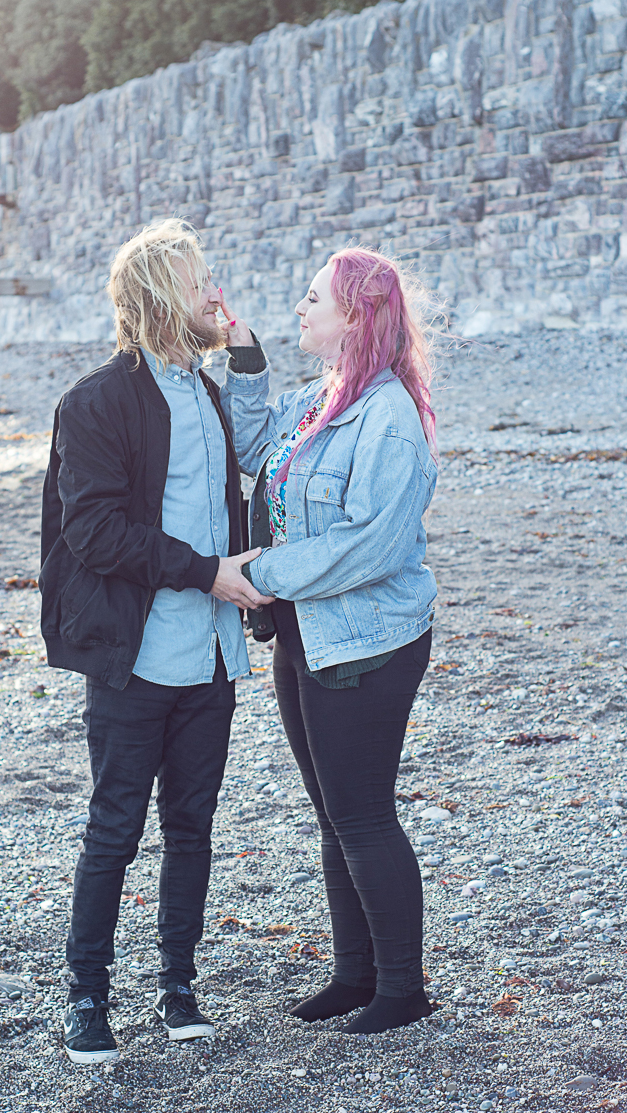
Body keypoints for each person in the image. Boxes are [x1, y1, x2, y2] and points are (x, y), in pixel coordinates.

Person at [39, 218, 273, 1063]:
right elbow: (94, 533)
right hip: (135, 653)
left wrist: (243, 354)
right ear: (152, 296)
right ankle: (86, 997)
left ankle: (179, 986)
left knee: (193, 825)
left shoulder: (206, 392)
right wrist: (206, 571)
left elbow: (257, 453)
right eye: (196, 279)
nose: (213, 290)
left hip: (212, 654)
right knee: (114, 828)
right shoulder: (95, 401)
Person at [219, 247, 438, 1035]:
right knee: (335, 813)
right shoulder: (323, 399)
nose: (299, 308)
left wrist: (260, 572)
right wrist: (244, 356)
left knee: (363, 814)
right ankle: (355, 976)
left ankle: (402, 990)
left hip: (368, 642)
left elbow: (371, 544)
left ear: (353, 315)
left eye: (312, 298)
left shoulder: (388, 416)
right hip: (307, 635)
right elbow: (252, 451)